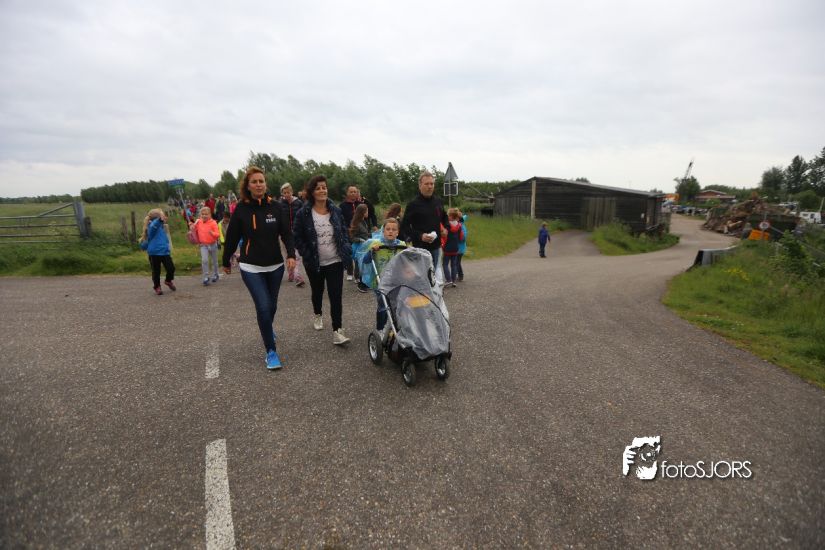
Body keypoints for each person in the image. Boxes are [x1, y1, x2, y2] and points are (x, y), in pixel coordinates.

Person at [222, 166, 296, 370]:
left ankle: (266, 327)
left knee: (271, 307)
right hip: (250, 266)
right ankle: (271, 351)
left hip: (275, 266)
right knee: (263, 307)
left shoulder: (276, 207)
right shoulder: (241, 209)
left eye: (261, 181)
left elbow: (286, 233)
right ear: (248, 186)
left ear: (266, 184)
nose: (258, 185)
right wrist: (226, 260)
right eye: (254, 182)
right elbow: (232, 238)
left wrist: (291, 255)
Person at [293, 174, 352, 345]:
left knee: (336, 296)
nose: (322, 190)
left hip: (335, 260)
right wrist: (306, 254)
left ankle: (337, 331)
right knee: (317, 291)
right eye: (318, 188)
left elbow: (344, 231)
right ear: (312, 192)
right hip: (314, 262)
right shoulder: (303, 213)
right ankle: (318, 313)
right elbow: (297, 237)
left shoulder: (336, 210)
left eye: (324, 187)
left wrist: (346, 246)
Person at [401, 171, 449, 281]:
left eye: (432, 184)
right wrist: (420, 236)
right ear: (420, 185)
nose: (430, 186)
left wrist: (446, 228)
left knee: (432, 276)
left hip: (436, 247)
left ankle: (432, 292)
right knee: (421, 277)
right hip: (420, 248)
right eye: (426, 184)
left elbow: (444, 217)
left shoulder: (438, 201)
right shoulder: (413, 204)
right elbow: (404, 227)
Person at [359, 217, 404, 331]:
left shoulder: (402, 245)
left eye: (394, 229)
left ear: (398, 232)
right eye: (388, 229)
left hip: (397, 281)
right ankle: (380, 328)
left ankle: (394, 326)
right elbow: (366, 261)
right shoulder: (376, 244)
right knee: (383, 305)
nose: (390, 231)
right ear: (383, 231)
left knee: (397, 305)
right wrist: (372, 251)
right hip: (380, 281)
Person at [141, 208, 176, 295]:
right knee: (156, 272)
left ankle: (168, 280)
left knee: (171, 268)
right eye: (163, 215)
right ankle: (157, 286)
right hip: (154, 254)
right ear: (157, 218)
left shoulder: (161, 226)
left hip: (164, 252)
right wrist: (159, 220)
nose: (165, 217)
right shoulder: (152, 226)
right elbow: (154, 225)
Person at [280, 182, 305, 287]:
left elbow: (303, 216)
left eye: (288, 192)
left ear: (292, 192)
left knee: (296, 255)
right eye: (284, 193)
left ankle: (297, 276)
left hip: (296, 232)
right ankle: (291, 273)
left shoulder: (299, 203)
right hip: (285, 234)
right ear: (282, 194)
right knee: (288, 254)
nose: (287, 194)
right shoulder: (280, 204)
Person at [190, 206, 221, 285]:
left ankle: (216, 274)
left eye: (206, 214)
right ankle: (206, 277)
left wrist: (212, 233)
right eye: (202, 214)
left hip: (213, 244)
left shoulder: (213, 223)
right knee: (204, 260)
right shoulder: (198, 222)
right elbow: (193, 229)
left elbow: (218, 234)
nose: (204, 216)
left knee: (214, 261)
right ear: (200, 215)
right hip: (203, 245)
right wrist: (192, 226)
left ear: (210, 214)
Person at [349, 203, 371, 292]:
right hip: (358, 248)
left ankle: (364, 282)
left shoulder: (364, 222)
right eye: (366, 211)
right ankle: (359, 282)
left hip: (365, 246)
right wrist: (360, 240)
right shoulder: (357, 223)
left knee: (365, 264)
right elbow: (352, 237)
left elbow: (365, 234)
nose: (368, 213)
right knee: (359, 264)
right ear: (362, 212)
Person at [441, 208, 465, 288]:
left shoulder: (447, 225)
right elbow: (461, 237)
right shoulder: (459, 225)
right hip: (455, 248)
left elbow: (444, 236)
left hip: (447, 248)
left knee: (445, 264)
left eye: (448, 215)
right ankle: (453, 281)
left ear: (451, 216)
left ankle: (448, 280)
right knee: (453, 265)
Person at [456, 210, 467, 281]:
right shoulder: (458, 225)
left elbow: (463, 238)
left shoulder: (461, 226)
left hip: (460, 248)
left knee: (457, 262)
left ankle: (461, 275)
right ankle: (457, 274)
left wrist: (455, 238)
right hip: (457, 248)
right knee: (456, 262)